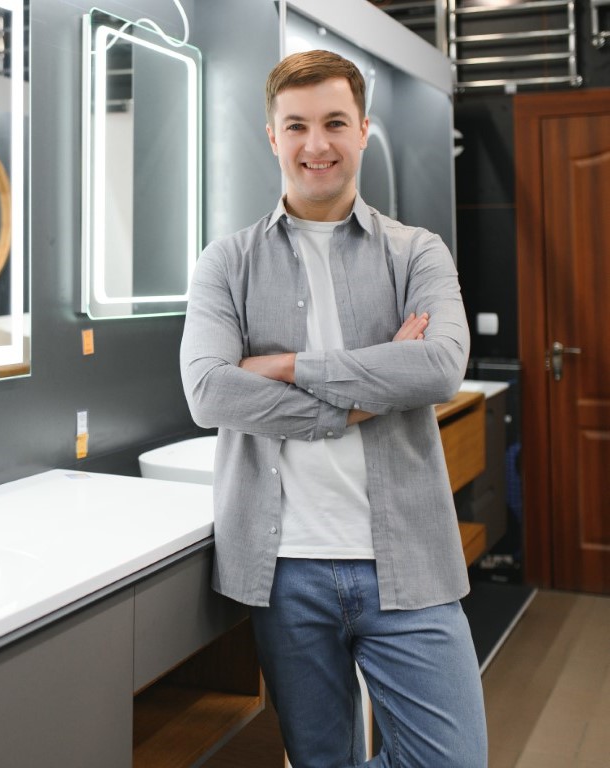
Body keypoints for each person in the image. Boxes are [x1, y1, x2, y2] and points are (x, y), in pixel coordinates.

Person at [180, 49, 487, 768]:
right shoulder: (226, 262)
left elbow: (440, 366)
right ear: (272, 136)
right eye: (297, 126)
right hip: (283, 569)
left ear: (363, 131)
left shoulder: (417, 253)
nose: (316, 144)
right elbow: (207, 391)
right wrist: (360, 399)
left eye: (334, 123)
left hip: (408, 558)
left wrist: (288, 368)